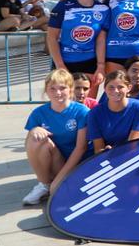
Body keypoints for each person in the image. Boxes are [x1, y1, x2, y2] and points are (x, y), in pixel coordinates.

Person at [22, 69, 90, 205]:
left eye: (62, 88)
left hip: (77, 163)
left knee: (60, 191)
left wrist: (60, 178)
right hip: (56, 161)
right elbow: (29, 145)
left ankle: (56, 183)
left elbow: (81, 148)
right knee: (35, 139)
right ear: (46, 91)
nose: (57, 93)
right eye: (52, 89)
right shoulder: (39, 113)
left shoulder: (82, 112)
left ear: (71, 89)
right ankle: (44, 184)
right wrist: (34, 130)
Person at [47, 0, 108, 81]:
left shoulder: (104, 9)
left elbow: (101, 40)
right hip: (65, 62)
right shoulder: (63, 6)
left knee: (88, 99)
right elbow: (52, 37)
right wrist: (60, 65)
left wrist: (100, 66)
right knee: (64, 98)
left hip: (90, 62)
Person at [87, 70, 139, 153]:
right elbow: (98, 149)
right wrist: (105, 152)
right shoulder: (94, 113)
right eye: (111, 87)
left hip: (131, 155)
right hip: (106, 158)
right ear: (104, 89)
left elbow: (132, 145)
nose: (116, 91)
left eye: (120, 87)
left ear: (129, 88)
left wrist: (115, 153)